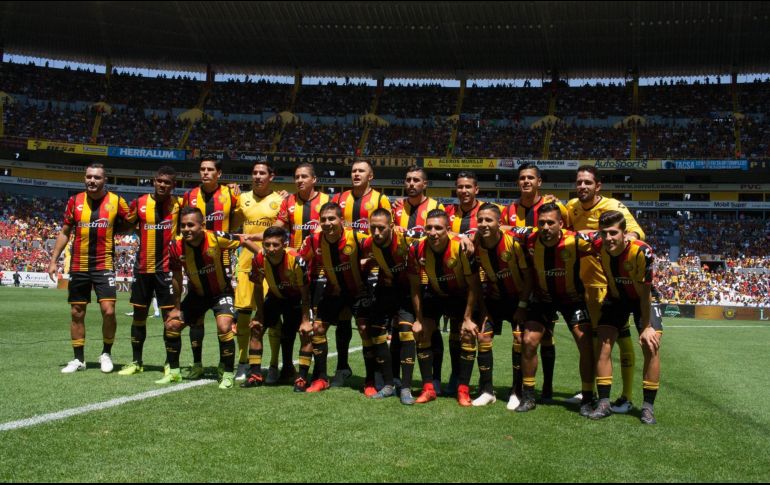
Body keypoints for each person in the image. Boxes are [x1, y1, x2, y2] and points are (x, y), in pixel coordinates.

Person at [567, 165, 645, 413]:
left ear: (597, 186)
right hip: (584, 285)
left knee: (618, 338)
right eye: (579, 182)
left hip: (608, 285)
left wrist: (600, 237)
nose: (582, 186)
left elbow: (635, 232)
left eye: (588, 182)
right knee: (594, 340)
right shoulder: (571, 207)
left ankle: (626, 395)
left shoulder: (613, 206)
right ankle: (592, 390)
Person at [156, 207, 259, 389]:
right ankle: (173, 372)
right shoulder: (175, 246)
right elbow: (177, 277)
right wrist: (176, 307)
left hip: (221, 293)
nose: (186, 229)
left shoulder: (216, 237)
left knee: (224, 326)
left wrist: (261, 257)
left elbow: (244, 240)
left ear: (202, 225)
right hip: (197, 295)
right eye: (183, 225)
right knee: (171, 325)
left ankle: (227, 373)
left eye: (191, 225)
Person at [47, 163, 130, 374]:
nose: (92, 180)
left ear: (105, 181)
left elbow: (131, 221)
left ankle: (106, 353)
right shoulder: (74, 201)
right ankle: (78, 359)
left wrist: (118, 230)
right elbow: (65, 232)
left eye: (97, 177)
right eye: (89, 177)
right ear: (85, 178)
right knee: (77, 312)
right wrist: (53, 259)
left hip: (104, 264)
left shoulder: (117, 201)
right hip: (79, 265)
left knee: (109, 311)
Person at [515, 203, 596, 416]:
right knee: (528, 340)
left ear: (561, 224)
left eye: (551, 222)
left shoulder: (575, 240)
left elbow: (603, 238)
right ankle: (529, 395)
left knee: (585, 342)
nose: (546, 227)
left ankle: (588, 397)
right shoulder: (529, 238)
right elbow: (503, 227)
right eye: (541, 223)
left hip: (572, 300)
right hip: (543, 299)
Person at [501, 162, 570, 404]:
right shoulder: (508, 208)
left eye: (531, 178)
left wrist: (515, 229)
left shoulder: (552, 207)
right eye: (522, 178)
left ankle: (548, 388)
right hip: (517, 280)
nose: (526, 182)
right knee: (520, 338)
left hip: (546, 281)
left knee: (547, 337)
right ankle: (516, 388)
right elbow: (501, 231)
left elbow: (565, 234)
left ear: (539, 182)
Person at [588, 211, 662, 425]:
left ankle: (647, 408)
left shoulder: (642, 251)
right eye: (604, 233)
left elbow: (646, 293)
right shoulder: (598, 243)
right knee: (603, 342)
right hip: (616, 298)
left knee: (651, 345)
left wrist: (647, 326)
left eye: (613, 233)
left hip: (642, 299)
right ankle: (603, 403)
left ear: (624, 233)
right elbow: (576, 235)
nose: (609, 238)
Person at [408, 209, 484, 406]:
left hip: (460, 295)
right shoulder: (416, 248)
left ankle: (463, 389)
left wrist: (468, 318)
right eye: (429, 227)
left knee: (466, 335)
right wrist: (417, 319)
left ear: (448, 230)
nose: (433, 232)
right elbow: (415, 287)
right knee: (422, 331)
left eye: (438, 228)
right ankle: (428, 388)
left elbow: (474, 285)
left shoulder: (460, 248)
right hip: (434, 294)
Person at [298, 202, 374, 394]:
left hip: (357, 292)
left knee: (365, 330)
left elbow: (380, 247)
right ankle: (322, 378)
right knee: (318, 329)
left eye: (332, 218)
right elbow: (299, 259)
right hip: (332, 291)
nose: (327, 223)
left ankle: (371, 381)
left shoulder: (356, 237)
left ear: (342, 221)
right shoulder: (314, 240)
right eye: (323, 219)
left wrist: (366, 262)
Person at [331, 159, 391, 387]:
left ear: (371, 176)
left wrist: (372, 259)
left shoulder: (380, 199)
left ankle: (374, 374)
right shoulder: (339, 199)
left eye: (361, 171)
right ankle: (342, 367)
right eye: (353, 171)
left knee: (368, 324)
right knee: (342, 317)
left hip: (371, 269)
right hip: (345, 270)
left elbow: (384, 236)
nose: (356, 174)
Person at [180, 157, 242, 380]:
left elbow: (244, 213)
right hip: (195, 259)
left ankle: (225, 364)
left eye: (209, 170)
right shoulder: (189, 196)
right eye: (202, 169)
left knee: (223, 321)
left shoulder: (231, 194)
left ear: (219, 173)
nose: (205, 173)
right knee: (194, 319)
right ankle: (197, 363)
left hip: (221, 257)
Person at [119, 166, 182, 376]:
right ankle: (136, 361)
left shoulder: (179, 205)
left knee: (169, 318)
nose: (162, 185)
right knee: (139, 316)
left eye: (167, 182)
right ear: (154, 181)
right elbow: (126, 226)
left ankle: (170, 363)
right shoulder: (140, 203)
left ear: (173, 185)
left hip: (166, 270)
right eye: (159, 181)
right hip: (143, 269)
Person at [391, 166, 446, 394]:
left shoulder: (436, 208)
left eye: (416, 180)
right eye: (408, 180)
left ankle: (435, 378)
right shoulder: (396, 208)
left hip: (429, 279)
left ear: (425, 184)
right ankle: (395, 379)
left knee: (430, 330)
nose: (411, 183)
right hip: (402, 278)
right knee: (398, 329)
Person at [475, 203, 532, 409]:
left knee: (519, 340)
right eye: (480, 220)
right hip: (494, 299)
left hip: (518, 299)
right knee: (483, 337)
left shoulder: (514, 243)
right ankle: (487, 390)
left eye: (488, 220)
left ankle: (516, 391)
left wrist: (523, 305)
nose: (483, 224)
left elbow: (528, 277)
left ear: (500, 223)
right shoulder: (476, 242)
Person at [242, 226, 313, 392]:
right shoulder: (259, 258)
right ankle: (255, 375)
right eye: (267, 244)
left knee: (304, 333)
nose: (271, 249)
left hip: (296, 300)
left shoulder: (296, 260)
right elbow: (258, 287)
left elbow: (305, 292)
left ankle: (301, 377)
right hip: (274, 298)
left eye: (275, 245)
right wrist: (259, 313)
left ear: (284, 244)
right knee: (257, 328)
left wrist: (305, 320)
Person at [233, 161, 285, 383]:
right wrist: (229, 194)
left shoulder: (281, 200)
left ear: (271, 176)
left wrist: (255, 243)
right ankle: (243, 362)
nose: (257, 176)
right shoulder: (241, 199)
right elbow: (230, 223)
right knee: (244, 317)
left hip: (271, 266)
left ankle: (273, 365)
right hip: (246, 265)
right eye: (254, 172)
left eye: (262, 173)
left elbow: (282, 231)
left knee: (272, 318)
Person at [360, 208, 417, 404]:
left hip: (408, 291)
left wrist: (465, 239)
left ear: (391, 227)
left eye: (381, 228)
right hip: (385, 290)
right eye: (372, 228)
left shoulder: (406, 237)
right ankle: (388, 384)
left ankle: (406, 388)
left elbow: (439, 234)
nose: (376, 233)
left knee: (405, 333)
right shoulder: (367, 243)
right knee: (376, 333)